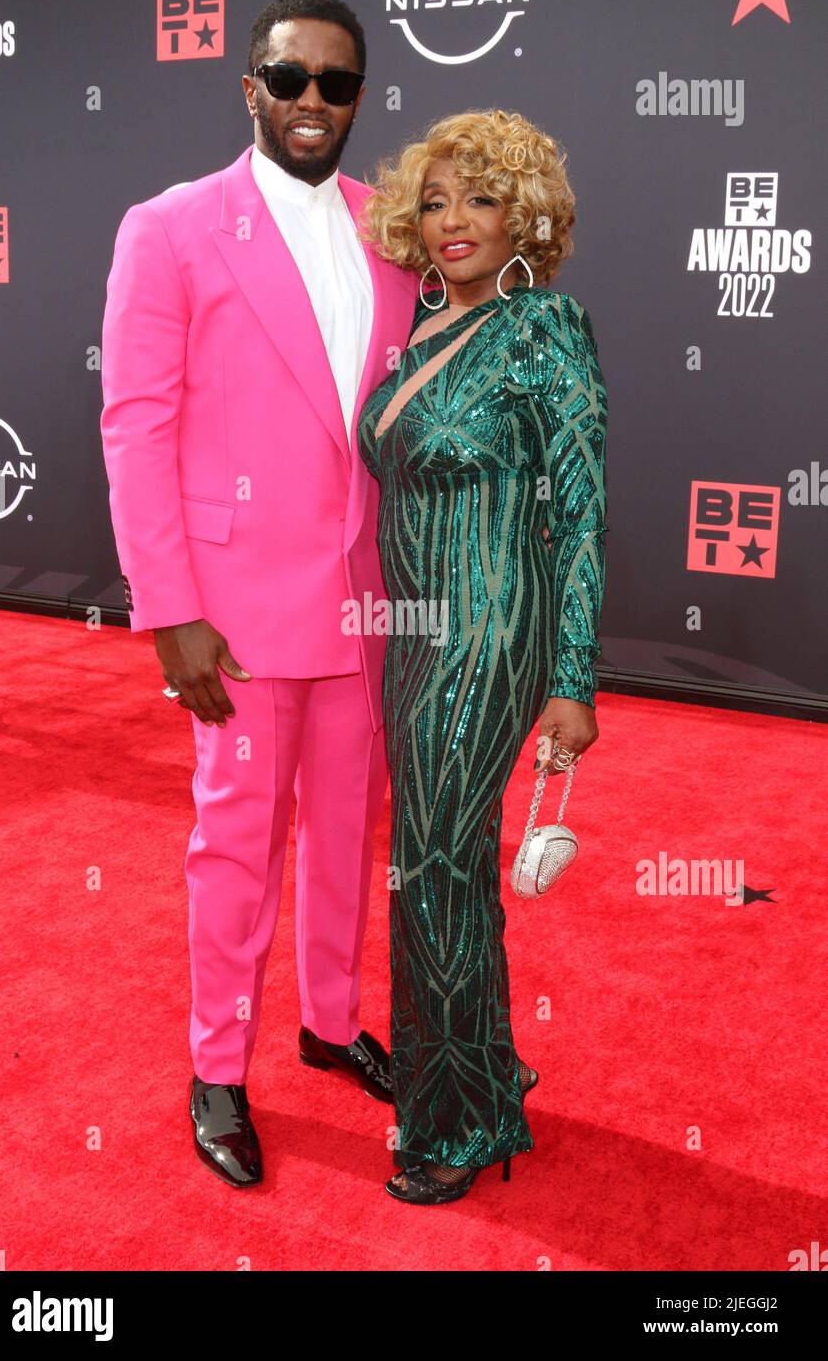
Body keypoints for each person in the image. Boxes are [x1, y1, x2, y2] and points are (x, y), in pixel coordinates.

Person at [100, 0, 419, 1188]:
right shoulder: (172, 227)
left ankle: (329, 1023)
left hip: (363, 599)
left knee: (349, 830)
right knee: (237, 842)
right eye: (289, 78)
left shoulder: (388, 228)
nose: (310, 103)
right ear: (250, 86)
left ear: (357, 99)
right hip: (231, 611)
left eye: (337, 84)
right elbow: (136, 425)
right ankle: (216, 1066)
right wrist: (167, 608)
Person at [356, 109, 608, 1204]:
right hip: (411, 638)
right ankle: (478, 1072)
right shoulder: (412, 328)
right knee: (433, 871)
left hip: (493, 627)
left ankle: (461, 1123)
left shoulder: (543, 329)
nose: (452, 220)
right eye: (435, 199)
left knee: (438, 875)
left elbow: (582, 514)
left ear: (527, 215)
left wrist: (571, 678)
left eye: (481, 198)